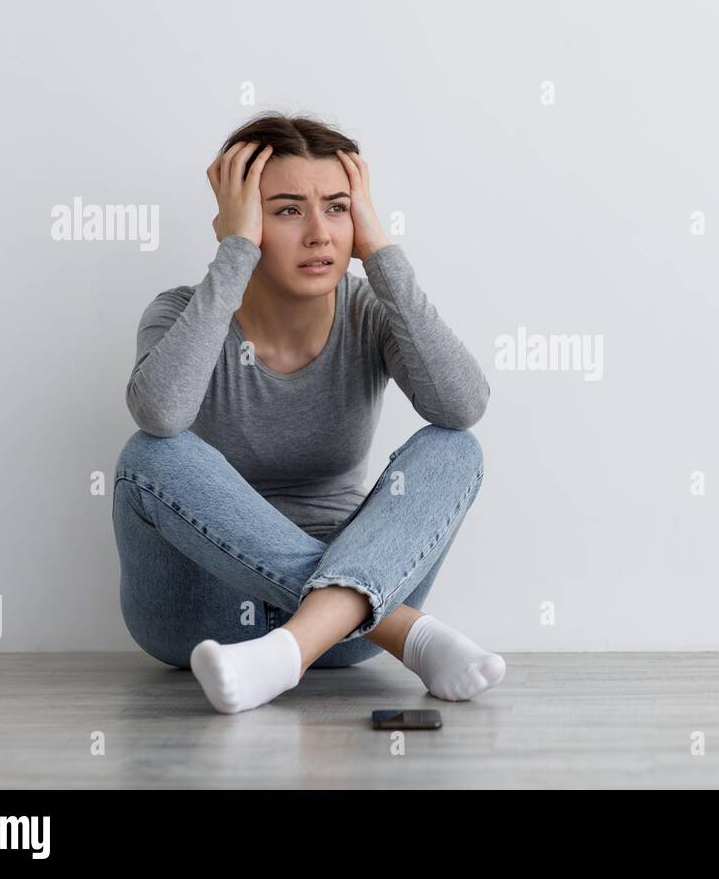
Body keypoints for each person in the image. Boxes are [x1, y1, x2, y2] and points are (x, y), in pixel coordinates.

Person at [110, 112, 505, 714]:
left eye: (339, 208)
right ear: (242, 218)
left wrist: (380, 254)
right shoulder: (181, 312)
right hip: (206, 621)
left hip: (342, 638)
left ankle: (286, 653)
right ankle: (410, 635)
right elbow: (161, 414)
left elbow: (462, 404)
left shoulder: (369, 312)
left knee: (456, 445)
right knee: (150, 453)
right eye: (288, 209)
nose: (320, 233)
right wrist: (234, 254)